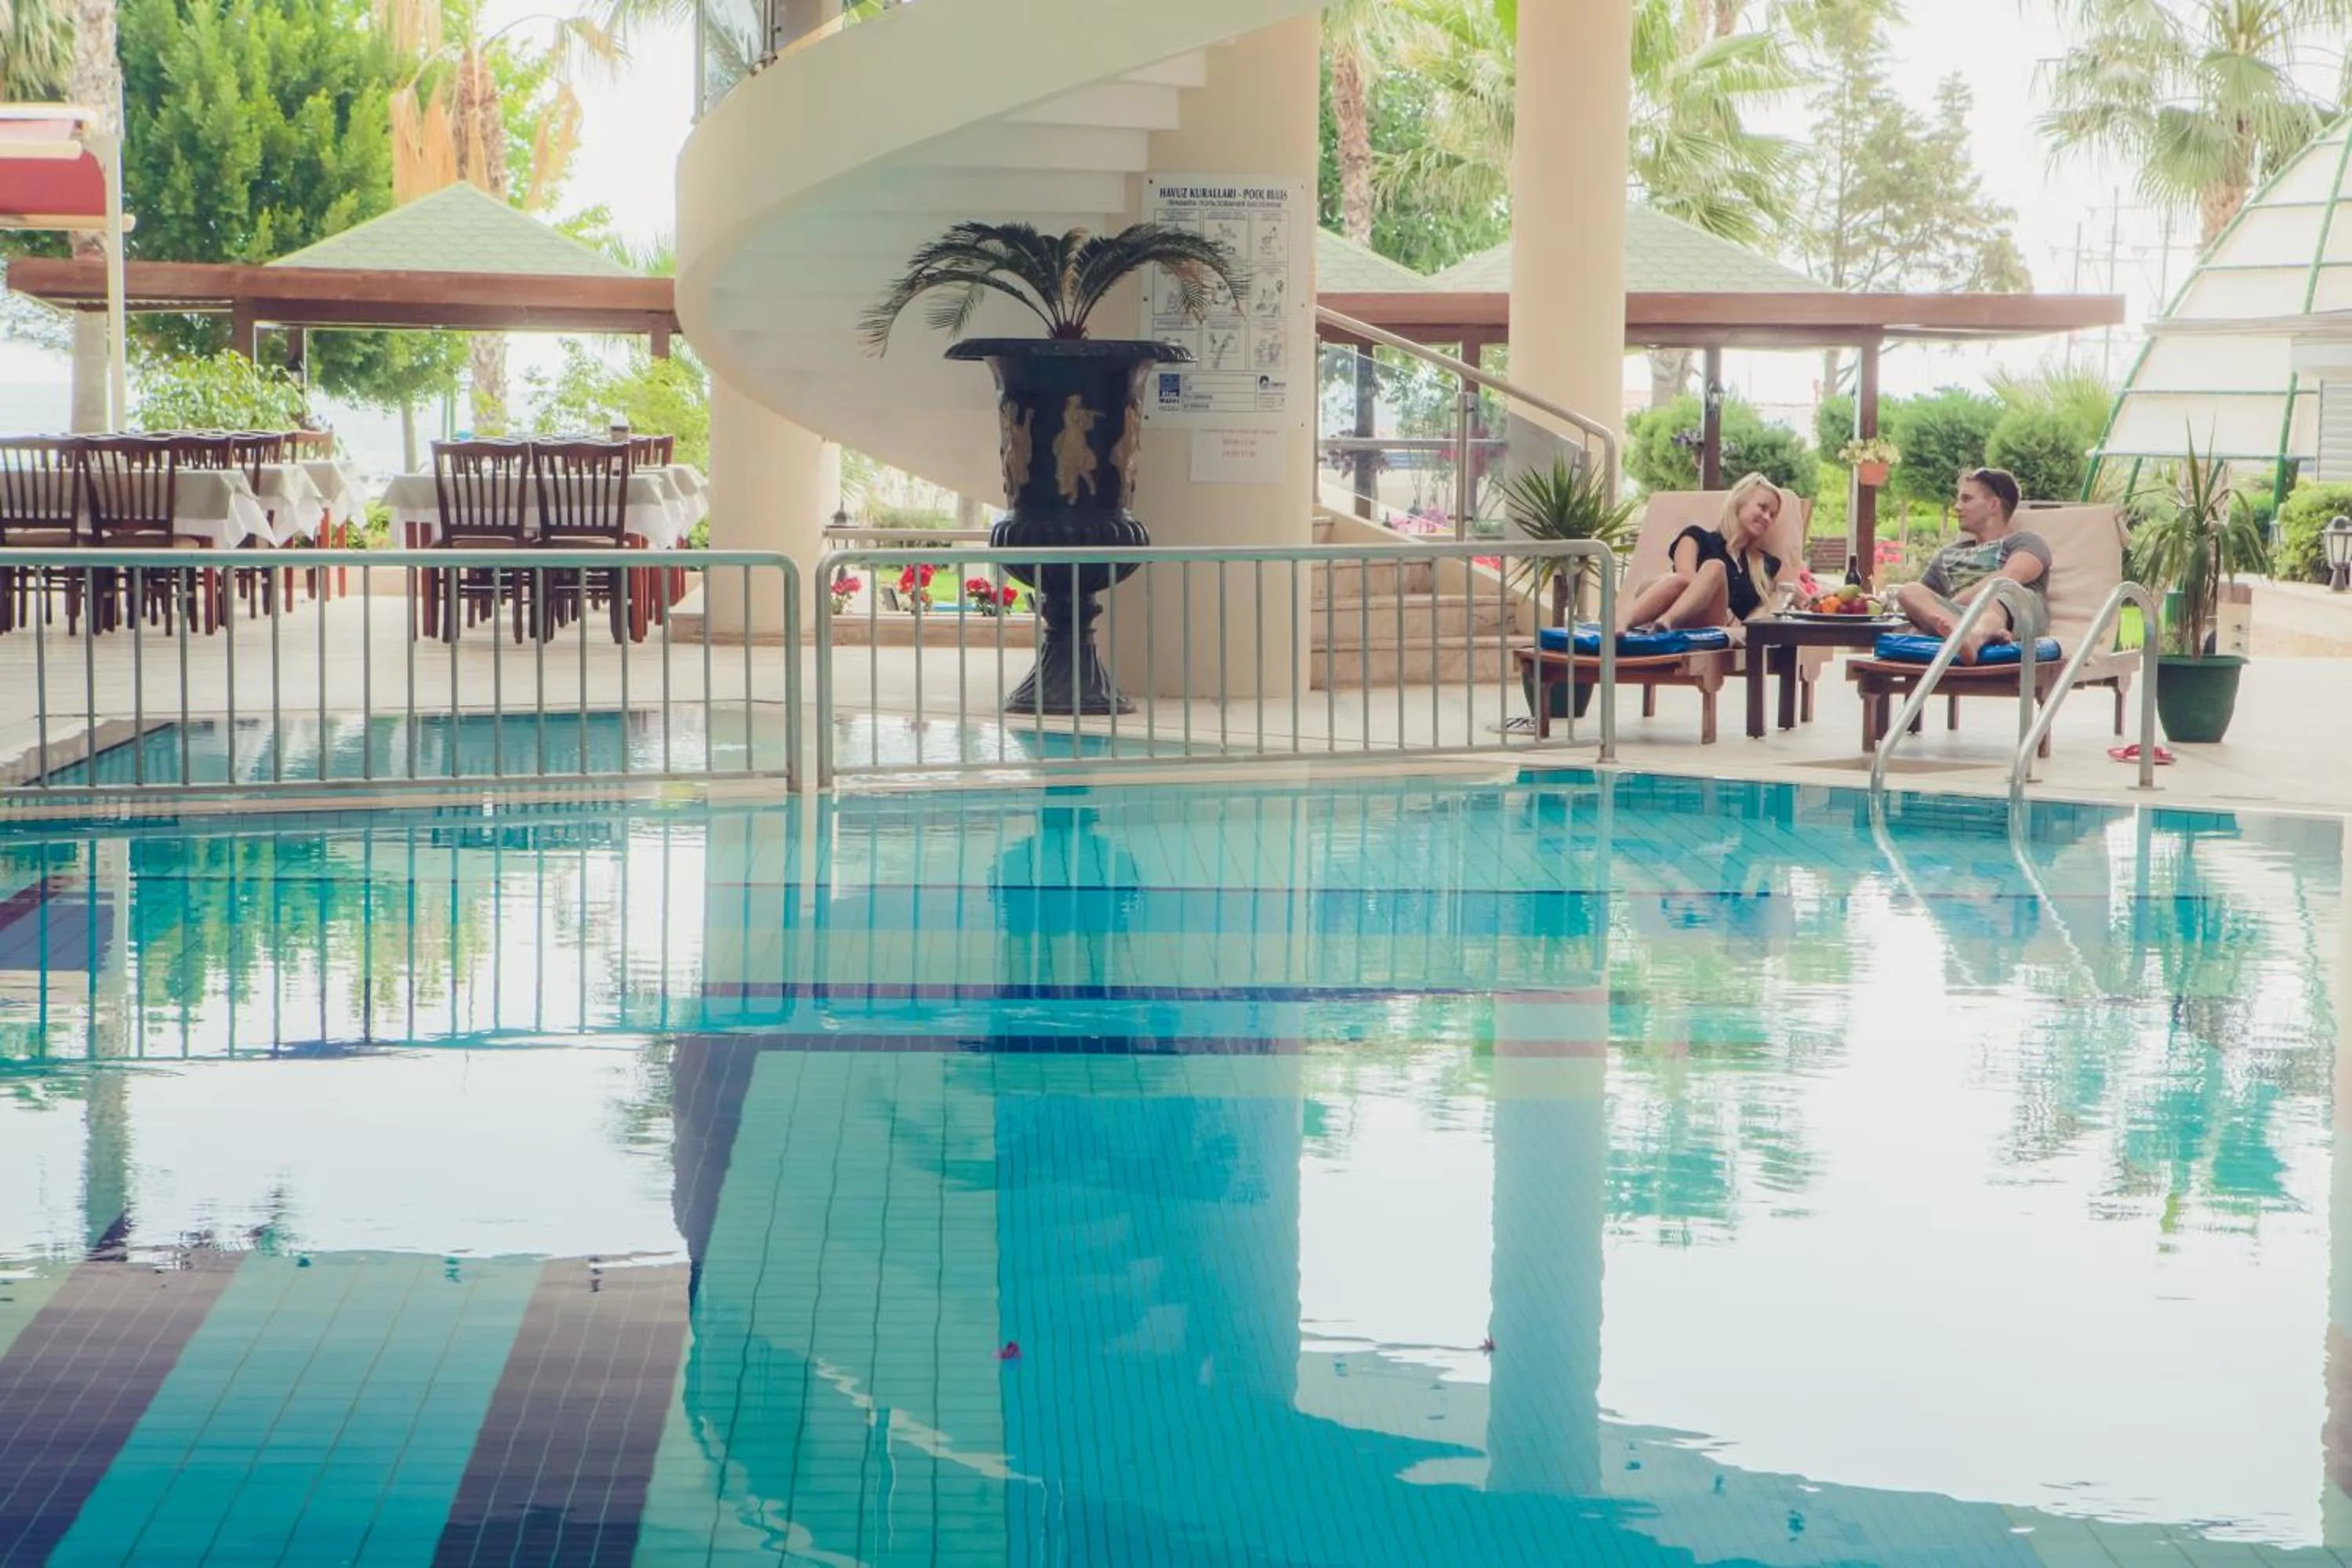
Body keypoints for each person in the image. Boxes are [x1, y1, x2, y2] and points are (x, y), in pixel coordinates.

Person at [1893, 467, 2052, 664]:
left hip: (2017, 616)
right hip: (1961, 620)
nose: (1957, 507)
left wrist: (1956, 605)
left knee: (2001, 591)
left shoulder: (2026, 541)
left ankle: (1974, 637)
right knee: (1909, 591)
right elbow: (1921, 602)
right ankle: (1972, 636)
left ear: (1993, 505)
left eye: (1966, 499)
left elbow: (2011, 576)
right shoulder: (1948, 555)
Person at [1617, 471, 1785, 637]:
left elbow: (1790, 591)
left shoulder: (1764, 563)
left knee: (1715, 566)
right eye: (1762, 508)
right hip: (1679, 606)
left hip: (1713, 625)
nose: (1767, 518)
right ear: (1739, 502)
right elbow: (1686, 581)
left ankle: (1664, 623)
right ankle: (1625, 622)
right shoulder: (1696, 537)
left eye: (1773, 515)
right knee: (1702, 571)